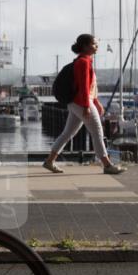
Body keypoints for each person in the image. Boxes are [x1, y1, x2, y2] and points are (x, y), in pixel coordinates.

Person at [42, 34, 125, 175]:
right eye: (94, 44)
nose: (96, 46)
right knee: (97, 132)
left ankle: (50, 161)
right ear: (85, 46)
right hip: (81, 102)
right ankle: (107, 165)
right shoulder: (83, 62)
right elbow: (84, 87)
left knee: (68, 133)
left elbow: (91, 87)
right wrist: (87, 106)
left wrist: (96, 102)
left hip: (78, 102)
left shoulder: (84, 61)